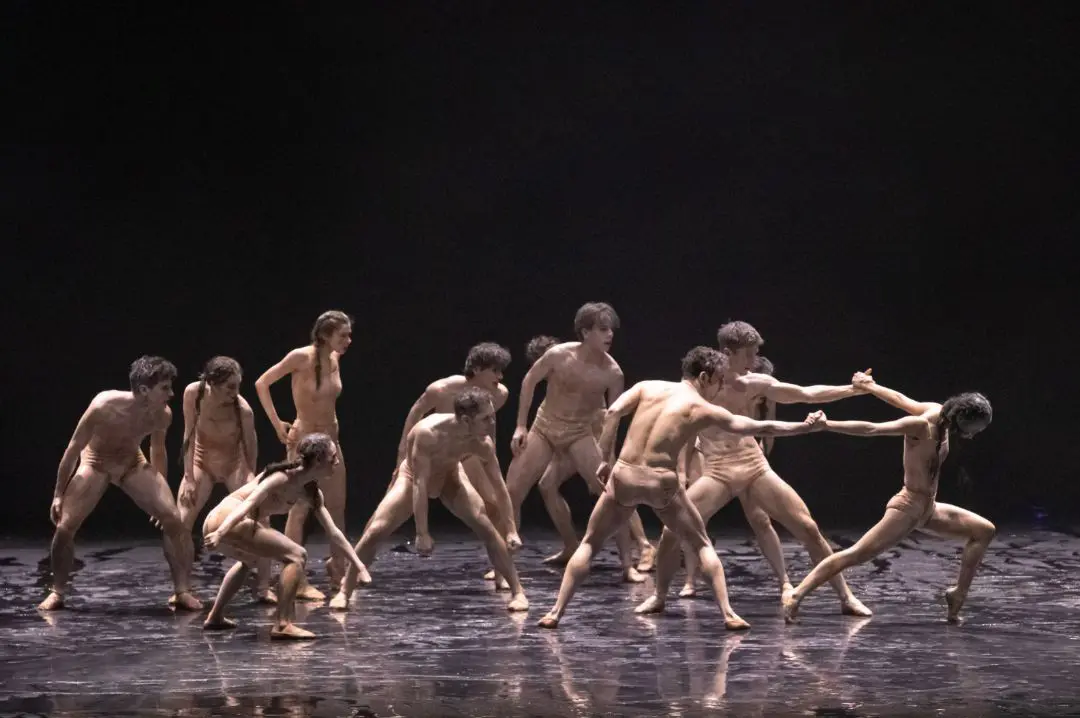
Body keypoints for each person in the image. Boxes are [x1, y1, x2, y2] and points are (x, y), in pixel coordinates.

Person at [536, 347, 826, 629]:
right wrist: (802, 427)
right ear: (704, 378)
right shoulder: (701, 407)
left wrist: (603, 460)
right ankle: (727, 613)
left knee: (589, 543)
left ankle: (555, 612)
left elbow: (611, 411)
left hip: (624, 476)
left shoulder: (647, 386)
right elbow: (756, 427)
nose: (720, 389)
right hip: (660, 481)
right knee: (701, 543)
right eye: (718, 382)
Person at [641, 321, 872, 618]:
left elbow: (804, 393)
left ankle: (846, 596)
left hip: (753, 466)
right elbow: (674, 423)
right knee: (671, 531)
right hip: (717, 471)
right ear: (728, 353)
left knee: (809, 528)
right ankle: (659, 596)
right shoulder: (703, 385)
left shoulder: (752, 384)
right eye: (748, 355)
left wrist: (852, 390)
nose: (753, 363)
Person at [783, 373, 994, 623]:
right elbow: (872, 429)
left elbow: (899, 398)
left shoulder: (942, 417)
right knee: (856, 554)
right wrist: (828, 425)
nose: (976, 434)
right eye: (976, 428)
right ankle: (796, 595)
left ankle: (957, 594)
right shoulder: (922, 426)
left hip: (928, 507)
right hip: (908, 507)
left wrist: (870, 386)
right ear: (963, 418)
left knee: (984, 531)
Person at [330, 387, 529, 612]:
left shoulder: (481, 443)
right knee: (376, 530)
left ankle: (518, 592)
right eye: (486, 418)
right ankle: (345, 590)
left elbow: (500, 487)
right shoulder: (429, 433)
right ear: (465, 420)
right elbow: (420, 484)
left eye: (492, 416)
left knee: (488, 529)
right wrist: (421, 533)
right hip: (412, 476)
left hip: (450, 475)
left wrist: (511, 529)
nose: (492, 423)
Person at [39, 356, 199, 611]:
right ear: (144, 390)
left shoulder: (162, 415)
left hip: (130, 463)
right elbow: (73, 449)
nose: (171, 394)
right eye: (165, 388)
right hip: (96, 462)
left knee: (173, 519)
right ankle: (57, 591)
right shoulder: (104, 405)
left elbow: (157, 450)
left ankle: (182, 590)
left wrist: (161, 493)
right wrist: (58, 494)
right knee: (65, 527)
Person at [506, 303, 647, 583]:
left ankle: (627, 565)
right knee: (512, 491)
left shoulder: (612, 372)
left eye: (611, 330)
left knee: (613, 495)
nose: (610, 336)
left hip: (580, 433)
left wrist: (607, 454)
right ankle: (505, 563)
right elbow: (529, 380)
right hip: (545, 427)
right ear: (585, 332)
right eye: (603, 330)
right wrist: (521, 425)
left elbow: (612, 415)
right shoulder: (559, 355)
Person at [202, 433, 368, 639]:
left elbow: (334, 532)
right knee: (297, 555)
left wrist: (358, 565)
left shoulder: (311, 493)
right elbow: (249, 503)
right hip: (227, 518)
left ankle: (215, 616)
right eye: (333, 457)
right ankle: (282, 624)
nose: (337, 461)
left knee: (250, 561)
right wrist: (220, 532)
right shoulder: (281, 477)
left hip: (227, 523)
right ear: (318, 460)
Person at [391, 342, 520, 589]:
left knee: (492, 504)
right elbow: (416, 412)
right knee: (392, 508)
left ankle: (501, 569)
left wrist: (489, 458)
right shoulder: (442, 389)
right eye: (495, 371)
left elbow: (488, 428)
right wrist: (402, 455)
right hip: (432, 449)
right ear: (478, 369)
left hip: (467, 451)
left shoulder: (499, 394)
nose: (500, 377)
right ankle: (356, 565)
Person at [524, 335, 657, 572]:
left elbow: (602, 416)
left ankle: (644, 546)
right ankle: (570, 545)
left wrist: (603, 454)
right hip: (573, 438)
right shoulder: (559, 374)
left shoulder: (588, 371)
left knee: (613, 490)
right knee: (547, 484)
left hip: (594, 437)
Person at [254, 310, 352, 600]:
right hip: (305, 441)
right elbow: (262, 383)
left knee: (336, 506)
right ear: (324, 335)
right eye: (343, 335)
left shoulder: (334, 359)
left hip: (331, 441)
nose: (348, 340)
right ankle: (294, 577)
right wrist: (277, 424)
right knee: (300, 508)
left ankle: (339, 572)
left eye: (348, 334)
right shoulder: (300, 357)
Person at [679, 354, 789, 596]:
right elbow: (689, 426)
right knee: (695, 519)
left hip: (746, 458)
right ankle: (690, 580)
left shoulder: (763, 396)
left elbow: (768, 429)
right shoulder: (720, 388)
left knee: (760, 520)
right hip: (709, 453)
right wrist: (683, 469)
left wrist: (762, 455)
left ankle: (784, 581)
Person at [175, 356, 275, 603]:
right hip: (201, 462)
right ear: (210, 382)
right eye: (229, 386)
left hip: (234, 464)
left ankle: (263, 586)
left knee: (261, 517)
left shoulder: (243, 410)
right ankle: (182, 590)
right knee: (181, 521)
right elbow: (188, 434)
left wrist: (252, 479)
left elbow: (251, 445)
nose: (235, 392)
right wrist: (188, 477)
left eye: (238, 386)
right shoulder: (193, 394)